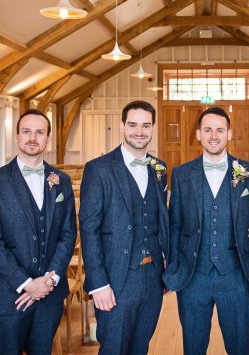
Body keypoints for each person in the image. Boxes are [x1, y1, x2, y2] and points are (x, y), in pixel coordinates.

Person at [164, 107, 249, 355]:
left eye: (220, 130)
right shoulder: (181, 174)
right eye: (207, 130)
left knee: (239, 348)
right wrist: (176, 264)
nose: (214, 136)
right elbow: (174, 225)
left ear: (229, 134)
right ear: (198, 134)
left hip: (236, 276)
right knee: (193, 348)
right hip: (193, 278)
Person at [0, 108, 77, 355]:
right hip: (9, 293)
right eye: (26, 131)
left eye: (40, 132)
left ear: (48, 139)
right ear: (16, 136)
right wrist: (26, 284)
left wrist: (50, 280)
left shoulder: (60, 180)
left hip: (50, 293)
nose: (32, 137)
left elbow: (68, 234)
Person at [79, 100, 169, 355]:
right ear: (122, 126)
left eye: (145, 125)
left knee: (141, 346)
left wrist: (166, 263)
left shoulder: (159, 168)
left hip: (152, 277)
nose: (139, 131)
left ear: (152, 128)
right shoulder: (98, 169)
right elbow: (89, 228)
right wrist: (98, 284)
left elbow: (161, 221)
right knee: (114, 348)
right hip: (115, 279)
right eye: (132, 125)